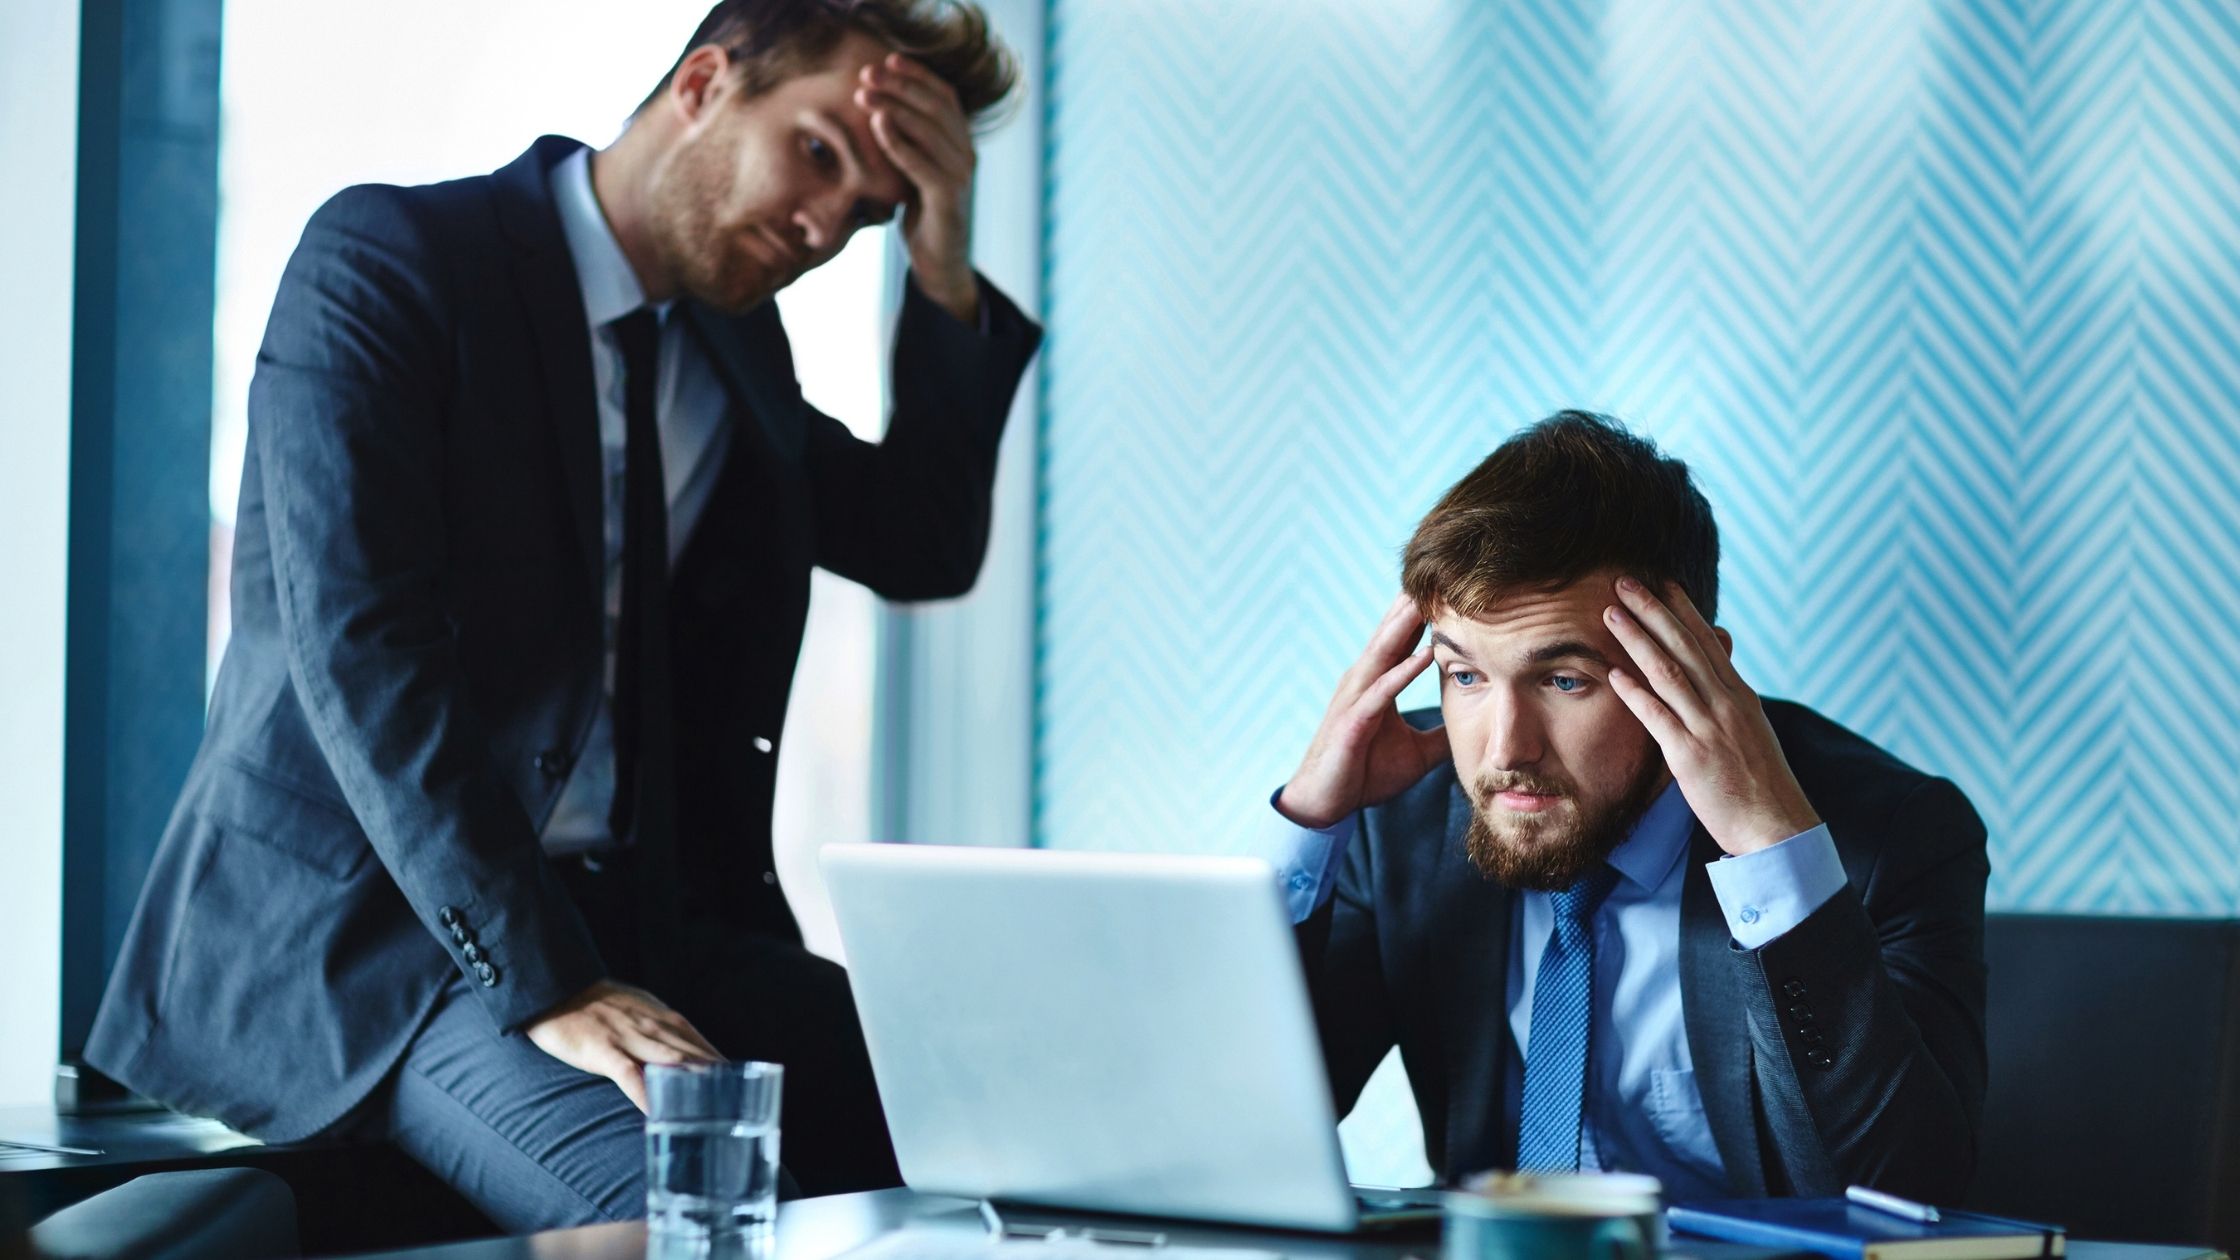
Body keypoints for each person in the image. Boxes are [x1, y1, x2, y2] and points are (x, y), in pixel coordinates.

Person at [85, 0, 1040, 1230]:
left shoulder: (735, 355)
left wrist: (942, 255)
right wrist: (550, 981)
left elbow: (917, 544)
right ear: (705, 84)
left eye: (870, 210)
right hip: (381, 940)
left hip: (644, 922)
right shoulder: (392, 258)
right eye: (816, 153)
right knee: (700, 1212)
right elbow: (364, 656)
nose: (823, 228)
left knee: (997, 1119)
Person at [1267, 412, 1988, 1202]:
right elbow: (1242, 1131)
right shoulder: (1401, 816)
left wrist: (1768, 847)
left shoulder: (1888, 837)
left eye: (1564, 680)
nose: (1506, 748)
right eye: (1465, 676)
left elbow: (1905, 1198)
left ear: (1690, 665)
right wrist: (1312, 822)